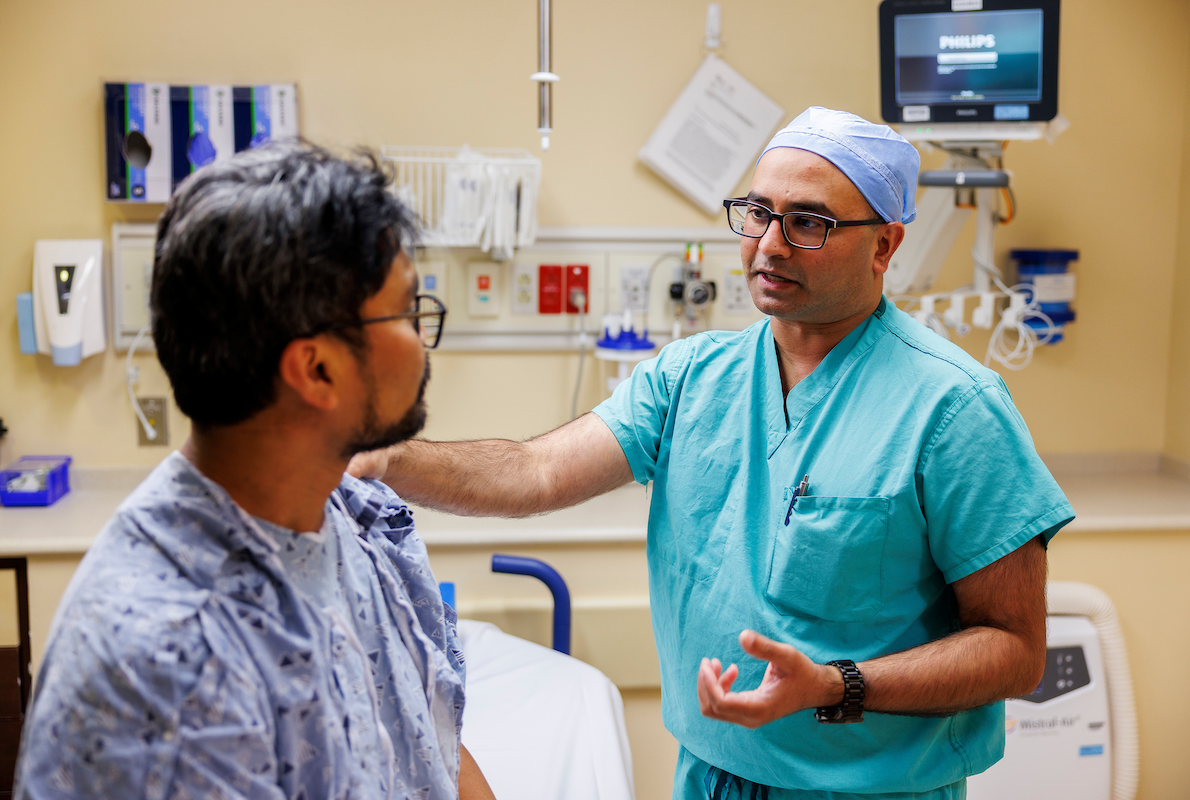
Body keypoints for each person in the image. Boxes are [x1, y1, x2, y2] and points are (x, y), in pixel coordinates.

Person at [348, 107, 1074, 799]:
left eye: (810, 223)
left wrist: (836, 685)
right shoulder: (690, 378)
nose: (770, 244)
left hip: (867, 791)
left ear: (885, 244)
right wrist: (383, 457)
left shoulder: (954, 411)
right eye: (758, 213)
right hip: (709, 776)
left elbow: (1014, 649)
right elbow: (535, 473)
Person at [14, 143, 495, 800]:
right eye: (409, 310)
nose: (423, 336)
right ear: (317, 370)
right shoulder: (164, 667)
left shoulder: (356, 519)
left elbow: (434, 751)